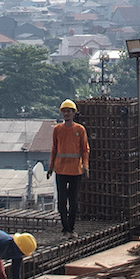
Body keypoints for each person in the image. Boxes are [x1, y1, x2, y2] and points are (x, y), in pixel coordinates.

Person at [51, 99, 89, 235]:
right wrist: (51, 167)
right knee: (62, 201)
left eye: (69, 111)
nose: (66, 114)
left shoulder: (80, 130)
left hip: (75, 170)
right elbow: (54, 149)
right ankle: (65, 228)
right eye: (64, 111)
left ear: (74, 113)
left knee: (73, 201)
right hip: (60, 170)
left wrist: (85, 165)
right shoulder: (57, 129)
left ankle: (71, 228)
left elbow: (85, 149)